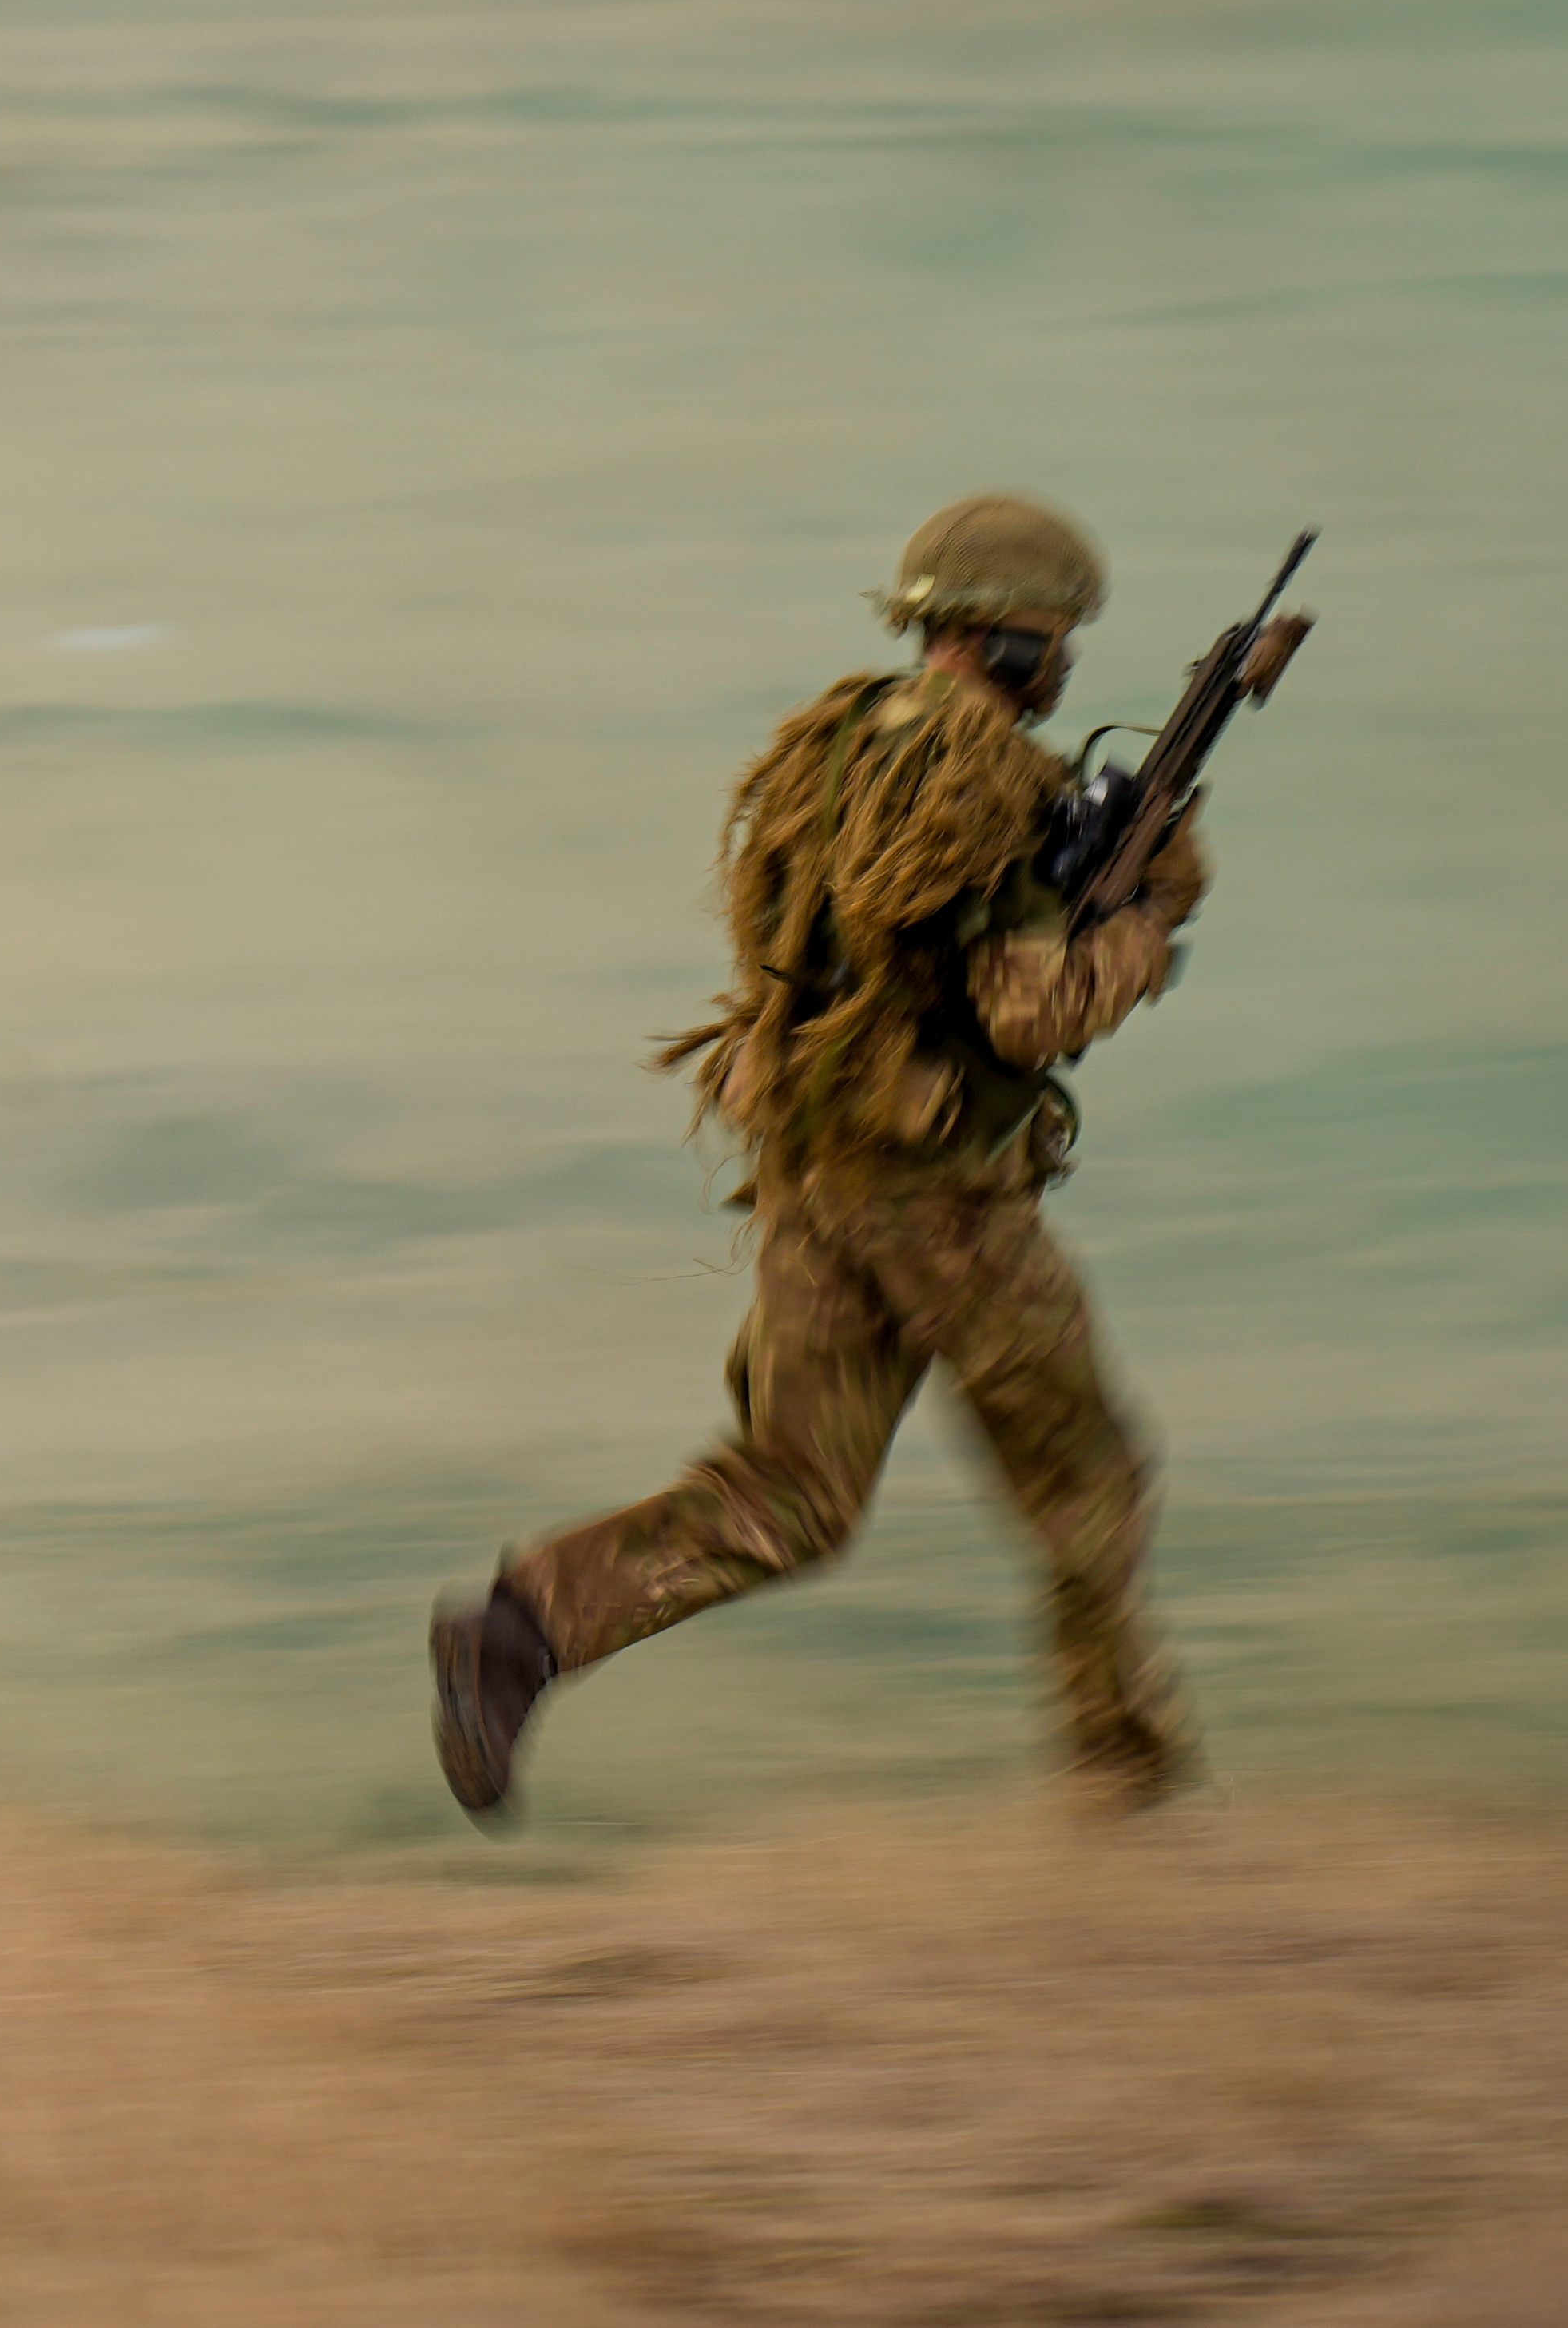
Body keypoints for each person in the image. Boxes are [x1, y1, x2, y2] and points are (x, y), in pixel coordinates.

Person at [434, 491, 1215, 1825]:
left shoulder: (845, 738)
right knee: (1089, 1480)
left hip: (819, 1166)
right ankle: (1122, 1788)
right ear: (1005, 637)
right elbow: (1027, 1010)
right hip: (940, 1205)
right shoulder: (982, 773)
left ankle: (524, 1627)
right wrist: (1147, 919)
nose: (1069, 662)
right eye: (1056, 635)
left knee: (791, 1489)